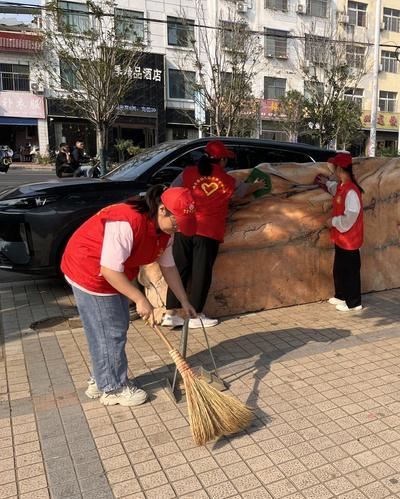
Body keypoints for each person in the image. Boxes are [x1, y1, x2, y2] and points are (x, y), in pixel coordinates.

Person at [61, 185, 198, 406]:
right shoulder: (127, 221)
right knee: (110, 330)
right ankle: (113, 388)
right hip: (90, 270)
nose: (179, 229)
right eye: (177, 223)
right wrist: (140, 299)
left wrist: (184, 299)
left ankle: (102, 378)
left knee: (109, 328)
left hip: (114, 272)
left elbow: (169, 266)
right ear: (162, 210)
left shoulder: (165, 230)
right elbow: (109, 270)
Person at [162, 140, 263, 328]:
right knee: (201, 272)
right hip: (207, 231)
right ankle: (196, 316)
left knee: (180, 269)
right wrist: (257, 186)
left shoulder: (188, 173)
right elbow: (242, 192)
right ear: (222, 160)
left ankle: (170, 314)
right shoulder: (226, 178)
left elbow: (172, 191)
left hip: (184, 226)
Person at [315, 152, 364, 312]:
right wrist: (326, 183)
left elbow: (351, 215)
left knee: (350, 271)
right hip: (341, 238)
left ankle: (354, 302)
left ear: (340, 169)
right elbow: (335, 190)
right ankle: (341, 295)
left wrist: (333, 222)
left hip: (350, 239)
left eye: (334, 166)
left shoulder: (351, 191)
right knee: (340, 268)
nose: (332, 169)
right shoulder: (342, 186)